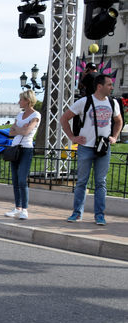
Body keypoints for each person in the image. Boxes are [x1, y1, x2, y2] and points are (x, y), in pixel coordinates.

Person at [60, 73, 122, 225]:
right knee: (82, 181)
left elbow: (118, 121)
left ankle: (99, 215)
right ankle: (77, 213)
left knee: (101, 182)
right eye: (109, 85)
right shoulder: (84, 102)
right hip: (86, 148)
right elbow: (64, 118)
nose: (112, 87)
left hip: (103, 149)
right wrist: (73, 137)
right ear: (99, 86)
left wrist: (114, 136)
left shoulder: (113, 103)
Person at [4, 90, 41, 220]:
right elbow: (11, 132)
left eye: (21, 99)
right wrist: (21, 130)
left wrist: (19, 130)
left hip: (26, 149)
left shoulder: (36, 115)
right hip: (15, 148)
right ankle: (17, 207)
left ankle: (24, 209)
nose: (19, 102)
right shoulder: (20, 115)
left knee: (22, 179)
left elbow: (27, 131)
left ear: (27, 100)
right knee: (14, 179)